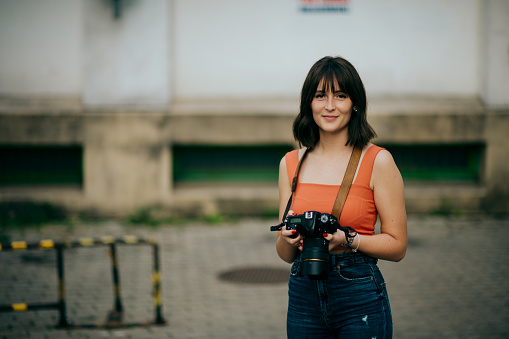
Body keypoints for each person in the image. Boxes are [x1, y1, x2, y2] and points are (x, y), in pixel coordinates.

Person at [275, 56, 407, 338]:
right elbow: (285, 255)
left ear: (355, 103)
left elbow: (398, 246)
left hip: (358, 295)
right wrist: (288, 239)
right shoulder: (290, 163)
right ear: (309, 104)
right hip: (303, 294)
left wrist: (349, 239)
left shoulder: (378, 161)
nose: (330, 106)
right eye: (320, 95)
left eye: (341, 95)